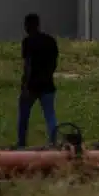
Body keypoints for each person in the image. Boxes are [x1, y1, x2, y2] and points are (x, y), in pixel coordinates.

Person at [17, 13, 59, 147]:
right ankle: (53, 142)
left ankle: (21, 143)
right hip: (47, 84)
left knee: (24, 115)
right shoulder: (50, 41)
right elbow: (54, 63)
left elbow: (28, 65)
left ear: (27, 26)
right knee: (50, 115)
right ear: (38, 24)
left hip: (32, 85)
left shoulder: (28, 42)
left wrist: (25, 85)